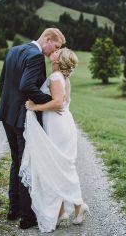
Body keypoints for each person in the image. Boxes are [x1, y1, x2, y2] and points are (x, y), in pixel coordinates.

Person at [0, 28, 66, 229]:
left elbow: (2, 82)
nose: (55, 51)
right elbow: (27, 85)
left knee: (16, 160)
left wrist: (8, 105)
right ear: (47, 39)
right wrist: (49, 101)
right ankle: (27, 217)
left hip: (7, 114)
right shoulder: (35, 55)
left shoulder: (14, 49)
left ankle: (14, 208)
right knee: (27, 162)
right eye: (56, 46)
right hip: (21, 117)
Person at [20, 48, 89, 233]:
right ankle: (61, 212)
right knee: (57, 166)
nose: (55, 51)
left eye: (59, 51)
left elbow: (58, 102)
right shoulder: (61, 77)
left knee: (60, 166)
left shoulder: (57, 77)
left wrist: (35, 106)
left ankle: (78, 206)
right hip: (61, 123)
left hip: (59, 125)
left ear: (59, 60)